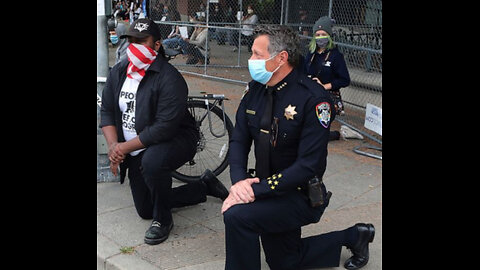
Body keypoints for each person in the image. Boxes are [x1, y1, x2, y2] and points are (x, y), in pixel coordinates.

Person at [221, 24, 375, 270]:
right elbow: (239, 139)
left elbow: (308, 165)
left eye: (257, 55)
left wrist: (255, 191)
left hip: (298, 194)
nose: (251, 60)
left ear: (281, 58)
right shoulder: (255, 91)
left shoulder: (313, 99)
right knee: (284, 261)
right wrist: (239, 183)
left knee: (238, 217)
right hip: (264, 187)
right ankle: (355, 236)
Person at [99, 18, 229, 246]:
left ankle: (163, 220)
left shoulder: (170, 78)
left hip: (176, 139)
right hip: (135, 147)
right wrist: (113, 148)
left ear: (157, 45)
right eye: (131, 40)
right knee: (145, 208)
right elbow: (108, 111)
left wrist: (123, 148)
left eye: (142, 41)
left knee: (152, 162)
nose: (134, 45)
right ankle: (203, 186)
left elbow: (163, 128)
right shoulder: (119, 72)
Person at [303, 16, 363, 141]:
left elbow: (344, 80)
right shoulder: (311, 53)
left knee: (316, 133)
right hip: (310, 94)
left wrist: (324, 86)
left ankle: (340, 134)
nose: (320, 37)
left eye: (323, 34)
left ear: (329, 35)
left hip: (328, 96)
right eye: (317, 34)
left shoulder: (336, 56)